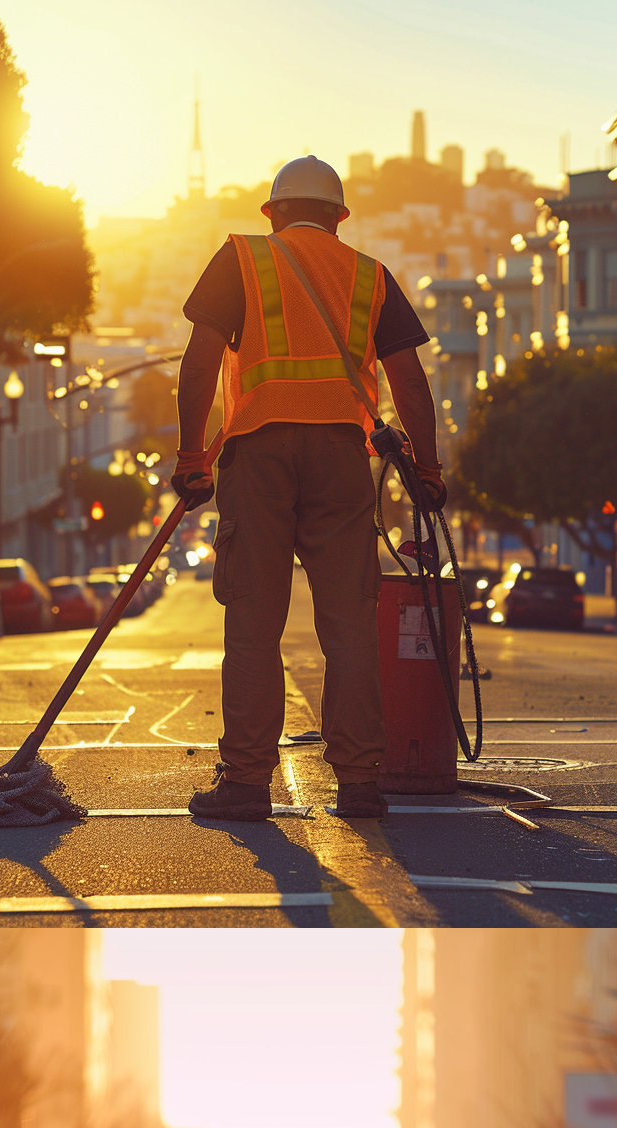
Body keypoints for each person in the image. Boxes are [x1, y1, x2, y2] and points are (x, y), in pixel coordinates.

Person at [173, 156, 445, 824]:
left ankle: (245, 781)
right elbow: (410, 382)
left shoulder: (241, 258)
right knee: (350, 626)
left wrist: (190, 456)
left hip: (257, 452)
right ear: (339, 216)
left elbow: (201, 358)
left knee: (254, 624)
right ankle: (358, 782)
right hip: (339, 457)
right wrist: (430, 470)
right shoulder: (370, 276)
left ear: (271, 213)